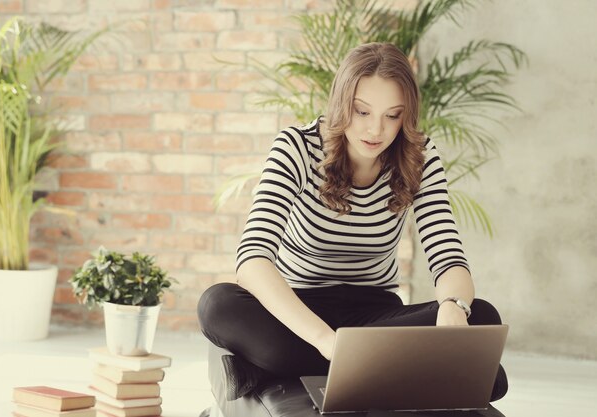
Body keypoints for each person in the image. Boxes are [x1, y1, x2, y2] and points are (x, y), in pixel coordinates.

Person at [198, 42, 508, 402]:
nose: (375, 129)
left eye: (392, 115)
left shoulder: (420, 158)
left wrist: (455, 307)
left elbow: (447, 256)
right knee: (217, 305)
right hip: (300, 314)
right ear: (342, 103)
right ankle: (388, 367)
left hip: (375, 318)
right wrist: (326, 341)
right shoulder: (296, 148)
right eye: (362, 111)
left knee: (481, 314)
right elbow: (252, 259)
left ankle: (266, 368)